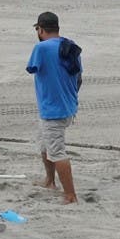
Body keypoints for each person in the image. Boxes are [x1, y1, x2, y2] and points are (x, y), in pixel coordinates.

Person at [27, 12, 83, 204]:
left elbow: (32, 68)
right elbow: (78, 76)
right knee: (45, 144)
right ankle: (49, 181)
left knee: (57, 151)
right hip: (66, 105)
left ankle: (70, 195)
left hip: (53, 109)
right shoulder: (70, 45)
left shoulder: (41, 48)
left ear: (40, 29)